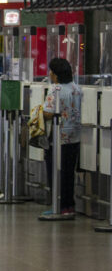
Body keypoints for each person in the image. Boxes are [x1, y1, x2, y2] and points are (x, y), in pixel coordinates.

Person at [41, 57, 81, 221]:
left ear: (56, 74)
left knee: (54, 169)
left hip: (57, 136)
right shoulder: (76, 88)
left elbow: (49, 112)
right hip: (74, 135)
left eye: (51, 71)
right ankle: (68, 205)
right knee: (68, 172)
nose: (50, 74)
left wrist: (39, 110)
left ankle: (57, 204)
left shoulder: (55, 89)